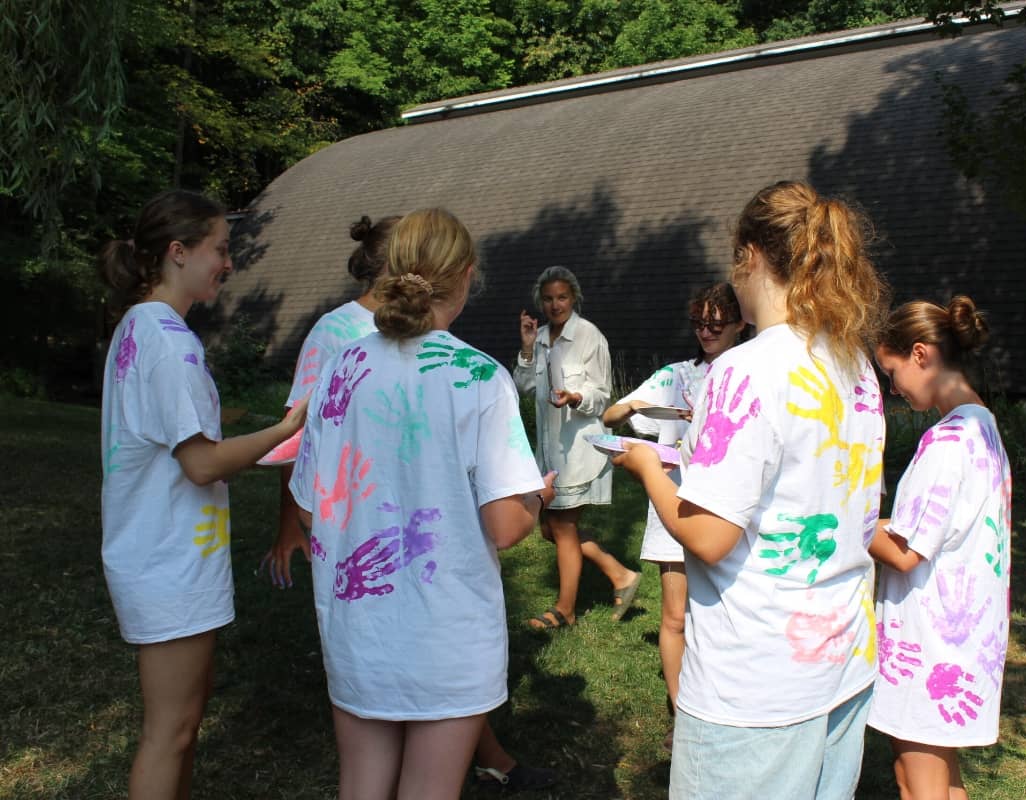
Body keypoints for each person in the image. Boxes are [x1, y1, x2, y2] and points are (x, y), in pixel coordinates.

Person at [614, 180, 889, 799]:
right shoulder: (855, 365)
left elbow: (708, 536)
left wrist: (648, 469)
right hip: (842, 661)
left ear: (750, 256)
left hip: (757, 680)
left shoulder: (744, 369)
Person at [263, 214, 556, 793]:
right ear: (466, 276)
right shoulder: (478, 376)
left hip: (357, 631)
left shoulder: (341, 369)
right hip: (447, 636)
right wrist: (537, 498)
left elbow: (307, 508)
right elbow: (504, 526)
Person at [98, 189, 308, 799]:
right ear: (177, 251)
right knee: (171, 729)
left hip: (160, 553)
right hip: (166, 562)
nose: (227, 262)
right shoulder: (168, 341)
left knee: (181, 727)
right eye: (220, 248)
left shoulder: (142, 327)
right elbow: (200, 463)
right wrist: (287, 429)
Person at [867, 296, 1012, 800]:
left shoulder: (948, 442)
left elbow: (906, 551)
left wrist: (839, 520)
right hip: (965, 637)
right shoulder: (983, 428)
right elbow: (931, 528)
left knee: (915, 782)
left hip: (929, 644)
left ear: (921, 354)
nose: (892, 388)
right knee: (944, 779)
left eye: (892, 371)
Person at [601, 282, 745, 738]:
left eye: (716, 323)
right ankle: (681, 710)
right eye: (699, 323)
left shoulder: (751, 372)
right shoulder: (679, 374)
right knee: (675, 615)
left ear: (740, 324)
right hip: (675, 504)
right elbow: (610, 416)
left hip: (729, 509)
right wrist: (640, 407)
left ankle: (724, 704)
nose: (706, 331)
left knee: (726, 617)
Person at [514, 266, 641, 629]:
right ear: (541, 300)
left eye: (562, 297)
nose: (555, 305)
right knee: (549, 529)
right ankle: (619, 575)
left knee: (562, 527)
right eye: (549, 298)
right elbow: (521, 385)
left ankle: (565, 610)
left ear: (574, 298)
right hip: (549, 452)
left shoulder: (589, 337)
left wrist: (575, 398)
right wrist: (525, 349)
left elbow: (602, 396)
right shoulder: (537, 338)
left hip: (578, 451)